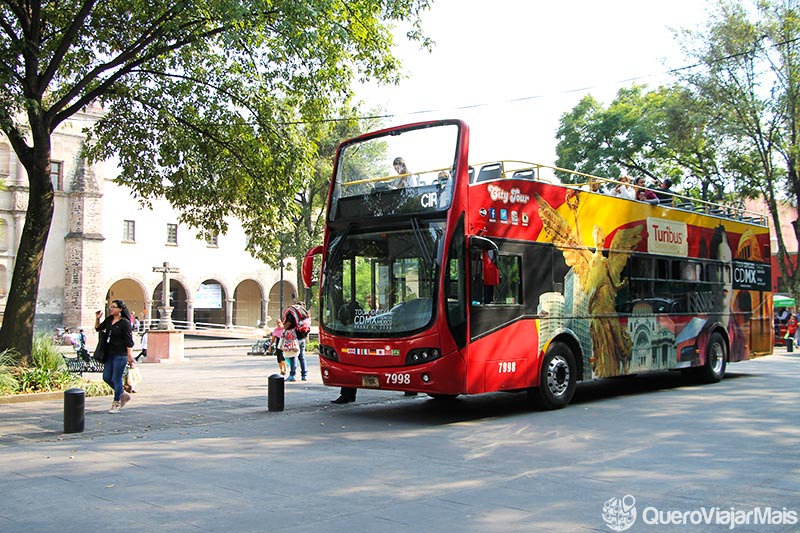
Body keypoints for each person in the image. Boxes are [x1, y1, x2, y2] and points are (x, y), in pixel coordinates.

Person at [96, 299, 136, 414]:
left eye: (113, 307)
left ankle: (116, 402)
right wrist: (97, 319)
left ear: (120, 309)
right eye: (110, 307)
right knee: (106, 377)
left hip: (121, 354)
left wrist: (129, 356)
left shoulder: (125, 323)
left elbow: (129, 341)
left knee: (116, 379)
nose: (111, 308)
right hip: (110, 353)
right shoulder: (109, 320)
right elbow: (98, 328)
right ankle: (123, 394)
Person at [283, 302, 310, 382]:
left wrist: (284, 327)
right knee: (302, 357)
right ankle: (304, 375)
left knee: (293, 356)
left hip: (294, 338)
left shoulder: (292, 313)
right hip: (302, 338)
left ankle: (292, 375)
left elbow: (287, 325)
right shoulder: (305, 315)